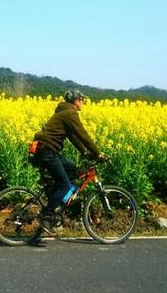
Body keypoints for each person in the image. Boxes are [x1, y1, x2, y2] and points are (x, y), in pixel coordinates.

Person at [29, 89, 108, 234]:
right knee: (65, 185)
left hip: (48, 151)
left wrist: (85, 153)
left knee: (71, 167)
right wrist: (97, 154)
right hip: (47, 152)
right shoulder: (70, 113)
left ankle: (55, 197)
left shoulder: (63, 112)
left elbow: (73, 137)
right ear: (76, 101)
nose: (83, 103)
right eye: (82, 100)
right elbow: (82, 135)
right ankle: (46, 215)